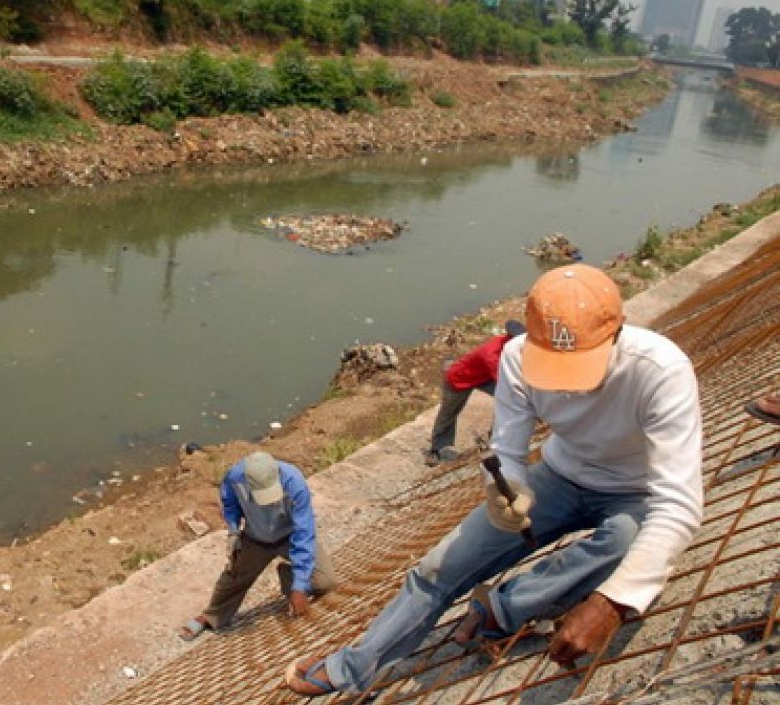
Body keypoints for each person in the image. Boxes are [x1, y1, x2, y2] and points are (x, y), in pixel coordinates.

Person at [285, 264, 703, 696]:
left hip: (635, 491)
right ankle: (356, 666)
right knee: (436, 569)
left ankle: (501, 609)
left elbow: (679, 504)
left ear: (616, 332)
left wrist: (611, 603)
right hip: (558, 475)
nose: (570, 385)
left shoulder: (660, 371)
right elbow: (508, 448)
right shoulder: (518, 358)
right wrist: (509, 489)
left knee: (624, 542)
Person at [179, 451, 338, 640]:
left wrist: (299, 587)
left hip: (289, 536)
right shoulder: (234, 477)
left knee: (326, 581)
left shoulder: (295, 483)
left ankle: (290, 576)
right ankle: (211, 615)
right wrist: (234, 531)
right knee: (235, 576)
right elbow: (230, 505)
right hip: (257, 537)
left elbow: (304, 533)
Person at [426, 320, 526, 465]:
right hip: (458, 380)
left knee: (508, 399)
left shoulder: (509, 346)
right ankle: (436, 450)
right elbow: (504, 380)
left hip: (482, 377)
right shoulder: (491, 354)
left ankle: (497, 436)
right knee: (448, 414)